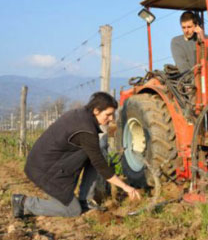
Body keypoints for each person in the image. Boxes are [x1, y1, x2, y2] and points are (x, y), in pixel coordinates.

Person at [12, 92, 141, 218]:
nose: (112, 118)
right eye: (108, 114)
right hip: (44, 170)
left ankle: (86, 200)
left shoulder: (81, 115)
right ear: (96, 110)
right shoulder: (86, 130)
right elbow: (100, 166)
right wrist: (125, 187)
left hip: (48, 163)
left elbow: (96, 158)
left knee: (98, 151)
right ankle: (24, 203)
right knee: (72, 210)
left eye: (113, 114)